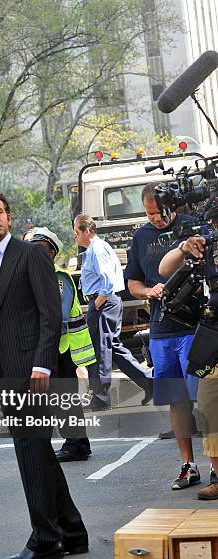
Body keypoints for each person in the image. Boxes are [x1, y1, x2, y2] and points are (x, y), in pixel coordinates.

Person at [0, 190, 88, 559]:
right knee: (36, 453)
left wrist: (43, 364)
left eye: (1, 211)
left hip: (31, 372)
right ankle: (71, 531)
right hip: (1, 370)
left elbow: (49, 316)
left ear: (9, 217)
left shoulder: (31, 255)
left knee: (31, 454)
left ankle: (46, 539)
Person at [125, 182, 200, 490]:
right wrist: (148, 290)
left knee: (208, 401)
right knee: (176, 401)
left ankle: (217, 468)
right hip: (161, 330)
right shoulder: (141, 236)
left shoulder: (191, 227)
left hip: (195, 327)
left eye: (157, 212)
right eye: (148, 213)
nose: (154, 218)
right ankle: (188, 465)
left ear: (171, 206)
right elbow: (133, 283)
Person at [29, 227, 96, 462]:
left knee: (64, 398)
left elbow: (59, 315)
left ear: (51, 252)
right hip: (48, 348)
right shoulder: (35, 277)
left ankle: (76, 444)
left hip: (61, 348)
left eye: (40, 250)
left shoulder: (58, 277)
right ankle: (76, 442)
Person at [159, 235, 218, 499]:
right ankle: (217, 476)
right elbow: (164, 269)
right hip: (213, 340)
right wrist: (185, 247)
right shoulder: (207, 243)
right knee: (207, 406)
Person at [73, 214, 152, 411]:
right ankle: (149, 382)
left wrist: (98, 302)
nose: (75, 236)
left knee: (99, 349)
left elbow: (107, 280)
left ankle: (100, 397)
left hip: (103, 303)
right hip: (105, 303)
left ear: (87, 231)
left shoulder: (97, 249)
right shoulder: (94, 249)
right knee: (113, 347)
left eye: (76, 232)